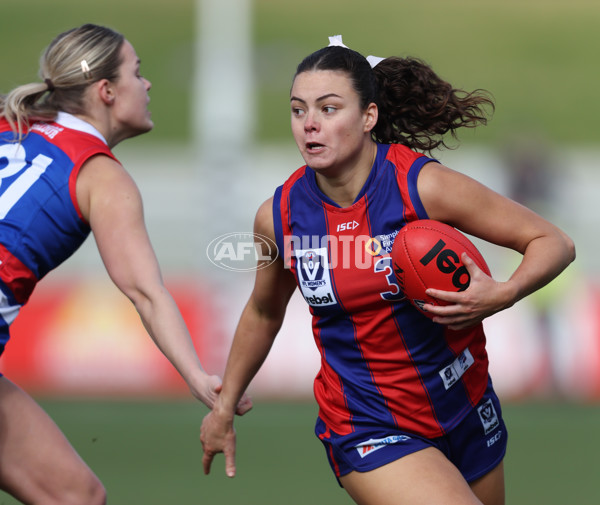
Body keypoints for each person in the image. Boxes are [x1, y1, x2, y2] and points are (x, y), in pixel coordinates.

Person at [200, 36, 575, 505]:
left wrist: (504, 293)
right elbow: (262, 311)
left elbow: (553, 241)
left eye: (329, 109)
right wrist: (223, 406)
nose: (310, 125)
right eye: (298, 111)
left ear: (369, 117)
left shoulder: (423, 187)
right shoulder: (279, 216)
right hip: (368, 424)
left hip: (466, 404)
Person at [0, 24, 250, 505]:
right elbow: (145, 292)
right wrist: (199, 377)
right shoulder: (98, 174)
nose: (148, 83)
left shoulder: (12, 126)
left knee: (75, 495)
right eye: (138, 72)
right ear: (107, 91)